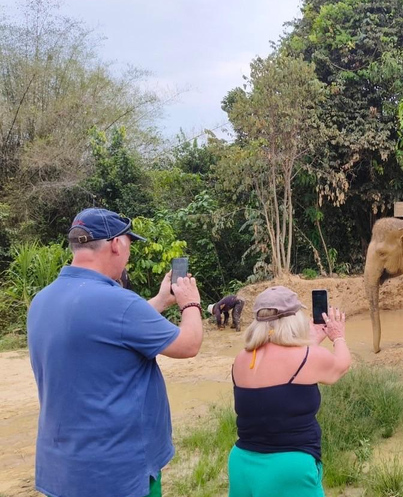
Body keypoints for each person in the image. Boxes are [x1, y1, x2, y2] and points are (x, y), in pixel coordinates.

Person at [27, 207, 204, 497]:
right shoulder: (119, 303)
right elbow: (189, 344)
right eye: (129, 244)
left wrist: (160, 300)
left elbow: (109, 329)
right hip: (118, 474)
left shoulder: (43, 300)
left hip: (63, 471)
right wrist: (190, 304)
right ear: (116, 244)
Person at [228, 286, 351, 497]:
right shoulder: (307, 356)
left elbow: (273, 386)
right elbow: (340, 366)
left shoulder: (241, 359)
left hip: (242, 464)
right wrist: (338, 336)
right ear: (294, 318)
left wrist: (310, 343)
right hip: (290, 467)